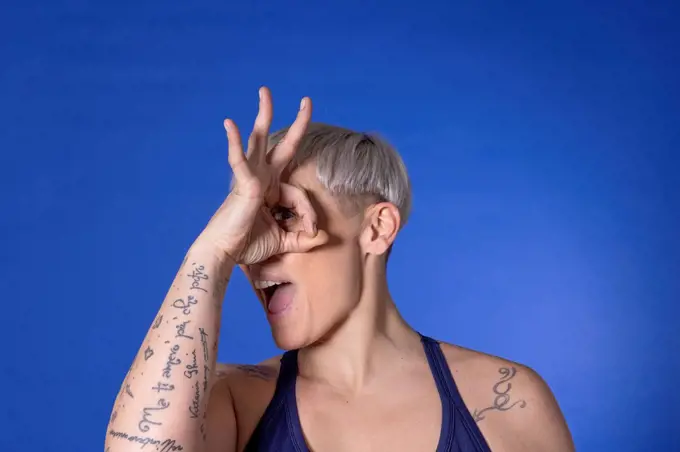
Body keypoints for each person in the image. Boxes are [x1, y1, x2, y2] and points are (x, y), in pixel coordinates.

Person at [105, 87, 575, 452]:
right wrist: (211, 251)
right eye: (248, 227)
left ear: (376, 228)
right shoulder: (239, 402)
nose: (257, 253)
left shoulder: (503, 398)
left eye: (285, 216)